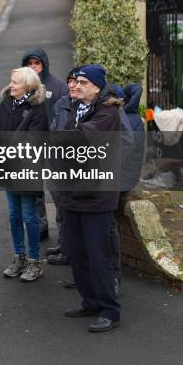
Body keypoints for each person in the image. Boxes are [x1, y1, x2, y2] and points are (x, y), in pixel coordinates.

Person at [58, 64, 122, 333]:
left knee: (99, 257)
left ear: (96, 86)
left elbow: (83, 139)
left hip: (97, 196)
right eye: (73, 81)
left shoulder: (108, 112)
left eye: (82, 82)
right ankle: (91, 302)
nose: (75, 86)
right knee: (78, 253)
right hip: (73, 194)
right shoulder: (77, 108)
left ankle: (110, 310)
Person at [0, 66, 49, 282]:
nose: (11, 85)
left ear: (28, 86)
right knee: (13, 215)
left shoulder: (39, 108)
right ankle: (19, 257)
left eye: (15, 82)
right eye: (11, 81)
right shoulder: (7, 102)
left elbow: (34, 141)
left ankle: (34, 262)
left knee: (28, 216)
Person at [21, 47, 68, 240]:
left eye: (37, 63)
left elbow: (64, 116)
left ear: (44, 64)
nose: (33, 67)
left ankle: (64, 236)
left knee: (57, 192)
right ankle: (40, 229)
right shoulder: (22, 87)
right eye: (29, 64)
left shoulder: (58, 86)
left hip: (52, 147)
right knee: (34, 191)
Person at [47, 67, 81, 265]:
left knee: (71, 215)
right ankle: (64, 246)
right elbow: (53, 129)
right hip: (57, 168)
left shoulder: (85, 108)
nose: (72, 85)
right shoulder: (61, 103)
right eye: (69, 81)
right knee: (61, 212)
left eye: (76, 81)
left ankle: (71, 253)